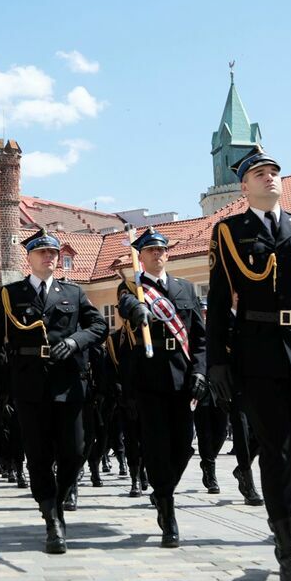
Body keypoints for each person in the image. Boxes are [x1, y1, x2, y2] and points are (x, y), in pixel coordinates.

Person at [205, 147, 291, 581]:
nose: (270, 177)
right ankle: (287, 549)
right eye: (260, 173)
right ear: (243, 186)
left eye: (274, 172)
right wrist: (218, 362)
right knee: (277, 450)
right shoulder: (228, 231)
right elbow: (220, 301)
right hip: (258, 350)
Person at [0, 228, 108, 555]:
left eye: (52, 252)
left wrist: (76, 341)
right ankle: (51, 517)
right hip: (29, 385)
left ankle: (56, 502)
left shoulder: (73, 293)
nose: (49, 257)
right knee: (38, 456)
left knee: (75, 451)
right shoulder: (10, 295)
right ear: (29, 258)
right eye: (42, 252)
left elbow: (99, 327)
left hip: (68, 383)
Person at [117, 227, 207, 548]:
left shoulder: (186, 289)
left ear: (167, 254)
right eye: (150, 251)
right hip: (150, 379)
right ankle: (168, 513)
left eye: (161, 250)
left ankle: (162, 489)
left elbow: (199, 337)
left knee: (184, 446)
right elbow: (124, 305)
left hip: (182, 378)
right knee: (156, 447)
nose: (157, 254)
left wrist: (200, 372)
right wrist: (136, 309)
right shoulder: (132, 288)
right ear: (140, 257)